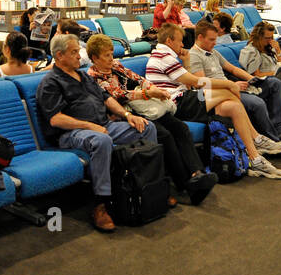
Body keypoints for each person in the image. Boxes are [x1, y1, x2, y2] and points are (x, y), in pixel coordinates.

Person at [36, 32, 158, 232]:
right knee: (101, 141)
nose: (79, 56)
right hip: (72, 134)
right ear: (59, 56)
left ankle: (148, 188)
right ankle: (100, 204)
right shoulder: (50, 83)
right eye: (74, 52)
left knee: (146, 127)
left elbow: (106, 99)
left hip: (103, 126)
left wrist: (128, 116)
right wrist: (89, 126)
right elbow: (56, 119)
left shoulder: (84, 76)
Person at [85, 34, 216, 206]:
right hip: (125, 115)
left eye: (111, 54)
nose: (112, 58)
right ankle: (185, 184)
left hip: (144, 108)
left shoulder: (116, 65)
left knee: (180, 127)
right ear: (94, 58)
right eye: (107, 55)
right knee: (164, 135)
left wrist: (153, 89)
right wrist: (147, 93)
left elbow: (138, 79)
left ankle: (196, 173)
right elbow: (118, 95)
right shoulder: (93, 76)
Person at [146, 23, 281, 177]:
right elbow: (196, 83)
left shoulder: (167, 56)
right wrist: (229, 84)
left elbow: (188, 85)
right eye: (179, 41)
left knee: (233, 107)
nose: (183, 44)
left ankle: (254, 158)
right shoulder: (164, 57)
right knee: (228, 91)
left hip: (187, 98)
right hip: (179, 102)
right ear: (170, 41)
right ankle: (256, 139)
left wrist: (186, 61)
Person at [188, 20, 281, 156]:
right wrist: (231, 85)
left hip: (232, 87)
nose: (215, 43)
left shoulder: (212, 52)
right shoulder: (194, 56)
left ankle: (278, 129)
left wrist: (252, 79)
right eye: (212, 39)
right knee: (257, 103)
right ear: (200, 37)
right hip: (221, 94)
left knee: (274, 83)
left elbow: (233, 69)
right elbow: (202, 85)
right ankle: (273, 142)